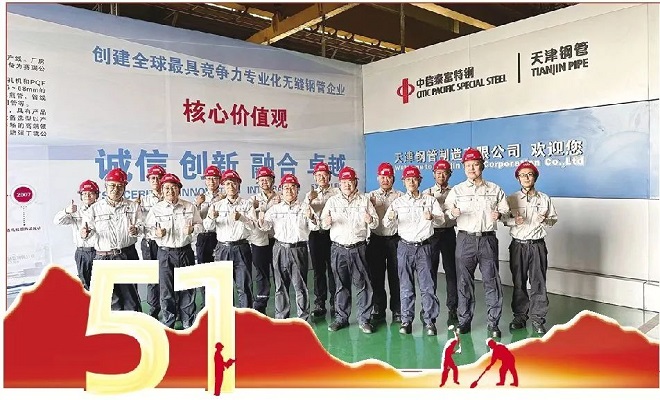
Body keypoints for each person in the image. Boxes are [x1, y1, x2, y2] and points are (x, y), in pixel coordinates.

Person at [444, 148, 509, 338]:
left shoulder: (494, 189)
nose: (472, 168)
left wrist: (500, 214)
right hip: (465, 239)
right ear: (464, 168)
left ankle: (493, 323)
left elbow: (506, 210)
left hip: (487, 239)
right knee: (464, 282)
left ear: (482, 166)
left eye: (475, 164)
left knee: (491, 281)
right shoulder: (457, 190)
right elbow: (447, 209)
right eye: (468, 165)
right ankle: (464, 321)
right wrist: (452, 212)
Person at [383, 165, 442, 336]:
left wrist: (432, 217)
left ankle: (429, 321)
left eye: (414, 179)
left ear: (420, 181)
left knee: (428, 286)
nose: (411, 182)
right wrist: (391, 218)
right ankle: (406, 320)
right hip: (405, 247)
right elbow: (386, 223)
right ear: (403, 182)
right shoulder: (398, 203)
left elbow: (441, 220)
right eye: (408, 179)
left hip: (425, 247)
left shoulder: (430, 201)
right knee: (405, 286)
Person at [320, 166, 379, 334]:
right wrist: (326, 222)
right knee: (340, 285)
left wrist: (370, 220)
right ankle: (341, 318)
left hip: (358, 248)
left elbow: (376, 223)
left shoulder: (364, 201)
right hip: (338, 249)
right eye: (344, 182)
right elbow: (322, 224)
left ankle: (364, 319)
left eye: (350, 181)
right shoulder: (332, 201)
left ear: (355, 183)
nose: (347, 185)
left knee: (363, 285)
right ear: (339, 184)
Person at [504, 161, 558, 335]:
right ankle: (520, 317)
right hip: (518, 245)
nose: (526, 178)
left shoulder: (544, 198)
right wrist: (514, 221)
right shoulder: (511, 199)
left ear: (535, 177)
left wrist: (545, 220)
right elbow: (503, 219)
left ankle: (538, 319)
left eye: (530, 174)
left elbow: (553, 220)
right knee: (519, 282)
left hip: (537, 246)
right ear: (518, 178)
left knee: (538, 282)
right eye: (522, 175)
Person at [144, 173, 203, 329]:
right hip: (165, 253)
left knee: (187, 287)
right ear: (162, 191)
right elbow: (147, 230)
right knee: (166, 290)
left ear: (179, 189)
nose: (170, 191)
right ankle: (169, 321)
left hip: (185, 251)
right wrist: (155, 233)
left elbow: (200, 226)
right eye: (167, 188)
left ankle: (187, 320)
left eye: (174, 187)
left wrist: (192, 229)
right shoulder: (156, 209)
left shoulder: (189, 207)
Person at [258, 173, 318, 320]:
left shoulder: (305, 208)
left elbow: (315, 227)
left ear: (297, 189)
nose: (289, 191)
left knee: (300, 286)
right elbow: (265, 227)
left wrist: (311, 217)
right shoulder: (275, 209)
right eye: (286, 188)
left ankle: (303, 319)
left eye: (292, 187)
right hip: (279, 249)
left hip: (299, 250)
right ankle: (281, 317)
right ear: (281, 190)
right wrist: (261, 220)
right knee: (280, 287)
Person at [81, 167, 142, 311]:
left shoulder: (133, 207)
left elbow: (141, 226)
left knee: (131, 298)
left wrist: (137, 230)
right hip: (103, 257)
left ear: (125, 187)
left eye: (120, 186)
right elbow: (85, 233)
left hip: (127, 255)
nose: (116, 189)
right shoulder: (94, 209)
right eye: (112, 185)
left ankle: (134, 323)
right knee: (110, 299)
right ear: (106, 186)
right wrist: (85, 234)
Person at [203, 169, 256, 308]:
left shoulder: (246, 204)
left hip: (242, 248)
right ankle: (227, 317)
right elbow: (207, 227)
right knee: (223, 288)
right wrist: (211, 217)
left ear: (239, 185)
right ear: (223, 186)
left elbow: (254, 227)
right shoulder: (217, 205)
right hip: (223, 249)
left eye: (234, 183)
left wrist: (242, 218)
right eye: (227, 184)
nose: (231, 187)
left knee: (244, 287)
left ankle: (246, 316)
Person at [422, 159, 458, 324]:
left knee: (451, 271)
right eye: (438, 173)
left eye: (444, 173)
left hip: (449, 233)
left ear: (449, 174)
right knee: (430, 271)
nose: (441, 176)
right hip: (432, 234)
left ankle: (453, 308)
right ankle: (428, 308)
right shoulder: (427, 193)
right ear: (433, 174)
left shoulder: (455, 192)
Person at [366, 162, 403, 323]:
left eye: (388, 177)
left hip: (395, 240)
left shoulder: (400, 196)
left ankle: (397, 310)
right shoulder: (370, 197)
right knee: (376, 276)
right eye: (382, 177)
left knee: (396, 276)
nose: (385, 180)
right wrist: (371, 206)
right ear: (378, 178)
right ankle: (378, 309)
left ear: (393, 178)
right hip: (376, 240)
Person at [303, 162, 340, 318]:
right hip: (315, 236)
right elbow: (304, 213)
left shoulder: (337, 193)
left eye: (324, 175)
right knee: (318, 271)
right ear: (314, 177)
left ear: (329, 176)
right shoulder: (309, 195)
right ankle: (320, 303)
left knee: (333, 270)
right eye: (318, 175)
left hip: (332, 234)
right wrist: (309, 201)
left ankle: (335, 302)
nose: (321, 178)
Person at [53, 179, 99, 290]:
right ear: (81, 196)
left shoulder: (102, 211)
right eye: (84, 194)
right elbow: (57, 221)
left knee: (101, 282)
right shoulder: (76, 213)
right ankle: (89, 300)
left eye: (91, 193)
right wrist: (66, 211)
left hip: (99, 252)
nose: (87, 196)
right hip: (82, 253)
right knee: (85, 283)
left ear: (96, 195)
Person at [248, 166, 280, 314]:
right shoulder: (253, 200)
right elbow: (251, 221)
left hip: (276, 240)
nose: (264, 182)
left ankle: (281, 305)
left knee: (279, 273)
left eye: (267, 179)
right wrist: (254, 209)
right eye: (261, 180)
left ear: (273, 180)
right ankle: (261, 305)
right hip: (259, 241)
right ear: (257, 182)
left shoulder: (281, 197)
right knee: (261, 274)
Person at [195, 165, 225, 310]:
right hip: (203, 237)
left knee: (219, 272)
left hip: (219, 237)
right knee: (204, 271)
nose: (211, 181)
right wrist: (198, 204)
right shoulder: (200, 198)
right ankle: (205, 304)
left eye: (214, 178)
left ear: (220, 180)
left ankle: (220, 304)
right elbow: (194, 218)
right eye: (209, 179)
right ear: (205, 181)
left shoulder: (224, 197)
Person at [139, 164, 166, 319]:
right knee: (152, 276)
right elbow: (139, 223)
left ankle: (170, 308)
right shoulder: (143, 201)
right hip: (150, 243)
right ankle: (154, 309)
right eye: (152, 178)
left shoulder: (170, 196)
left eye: (159, 177)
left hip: (166, 243)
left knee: (167, 276)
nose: (156, 180)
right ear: (149, 181)